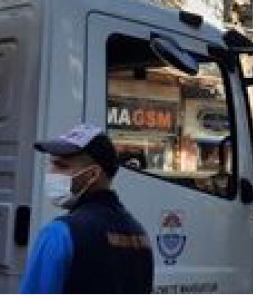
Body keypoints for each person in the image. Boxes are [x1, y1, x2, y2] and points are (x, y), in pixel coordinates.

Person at [20, 124, 154, 294]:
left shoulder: (59, 233)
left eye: (61, 166)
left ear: (92, 175)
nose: (51, 173)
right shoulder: (140, 235)